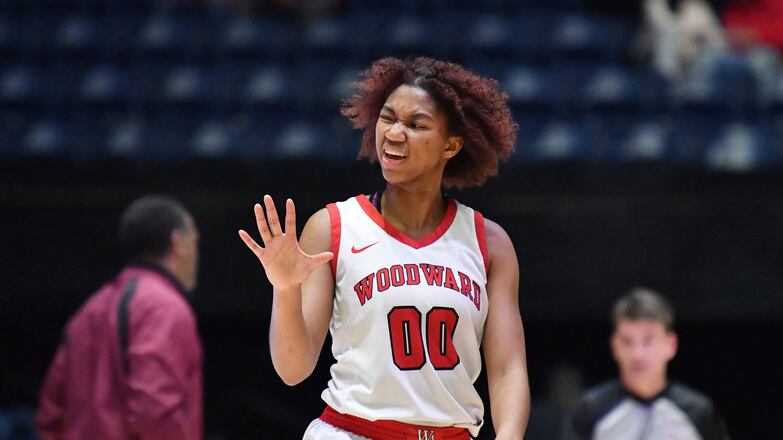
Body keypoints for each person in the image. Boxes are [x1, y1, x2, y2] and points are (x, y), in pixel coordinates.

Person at [239, 57, 530, 439]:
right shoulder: (334, 227)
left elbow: (508, 370)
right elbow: (293, 370)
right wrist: (285, 289)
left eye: (415, 124)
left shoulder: (488, 242)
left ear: (451, 145)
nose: (394, 133)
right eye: (388, 118)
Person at [36, 195, 203, 440]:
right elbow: (155, 413)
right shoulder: (164, 308)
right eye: (195, 240)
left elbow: (50, 417)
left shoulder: (89, 310)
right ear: (177, 242)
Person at [567, 287, 727, 440]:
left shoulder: (698, 411)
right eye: (627, 341)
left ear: (671, 345)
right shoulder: (591, 410)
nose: (638, 354)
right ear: (615, 346)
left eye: (648, 341)